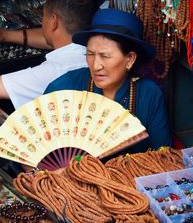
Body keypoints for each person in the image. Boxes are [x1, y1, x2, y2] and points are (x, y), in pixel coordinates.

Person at [44, 8, 172, 153]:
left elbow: (163, 154)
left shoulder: (148, 94)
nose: (96, 65)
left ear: (130, 59)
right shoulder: (63, 88)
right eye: (90, 54)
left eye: (105, 56)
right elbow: (33, 149)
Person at [0, 0, 98, 109]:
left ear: (54, 22)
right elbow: (56, 38)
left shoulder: (53, 72)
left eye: (44, 14)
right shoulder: (98, 51)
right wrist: (3, 35)